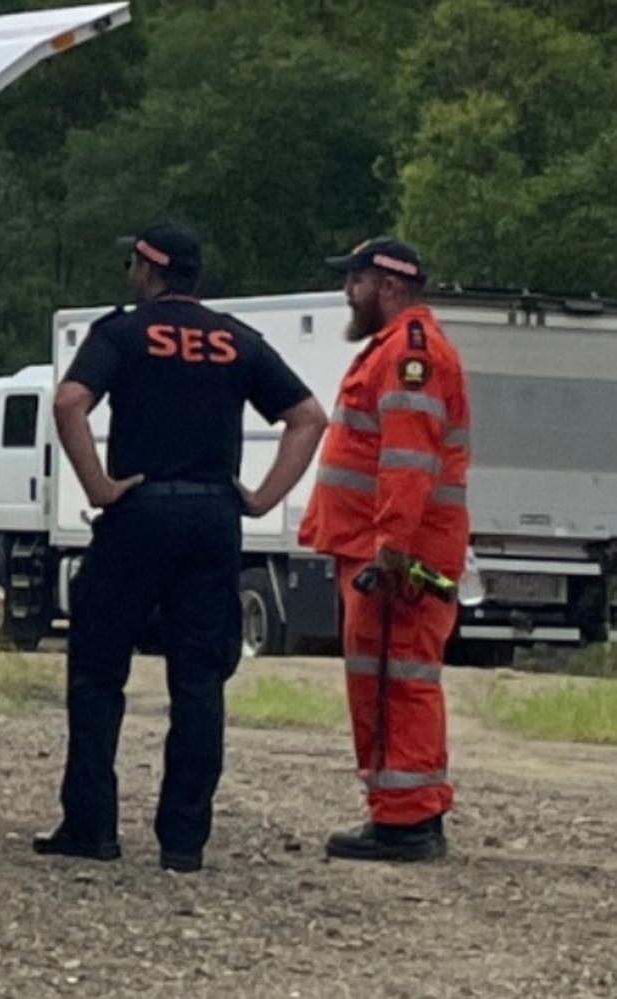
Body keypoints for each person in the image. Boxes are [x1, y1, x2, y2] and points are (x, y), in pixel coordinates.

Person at [34, 222, 326, 872]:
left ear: (149, 269)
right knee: (199, 680)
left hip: (138, 513)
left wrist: (99, 486)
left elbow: (69, 402)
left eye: (132, 264)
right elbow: (309, 417)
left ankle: (92, 826)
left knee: (97, 670)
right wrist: (262, 497)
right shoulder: (236, 339)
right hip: (212, 519)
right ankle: (183, 841)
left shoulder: (124, 332)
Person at [299, 236, 470, 862]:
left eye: (355, 281)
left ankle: (406, 822)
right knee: (391, 681)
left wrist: (391, 549)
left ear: (388, 285)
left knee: (394, 684)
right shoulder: (398, 351)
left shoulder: (409, 356)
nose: (348, 292)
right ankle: (407, 811)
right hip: (381, 552)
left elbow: (406, 460)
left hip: (395, 559)